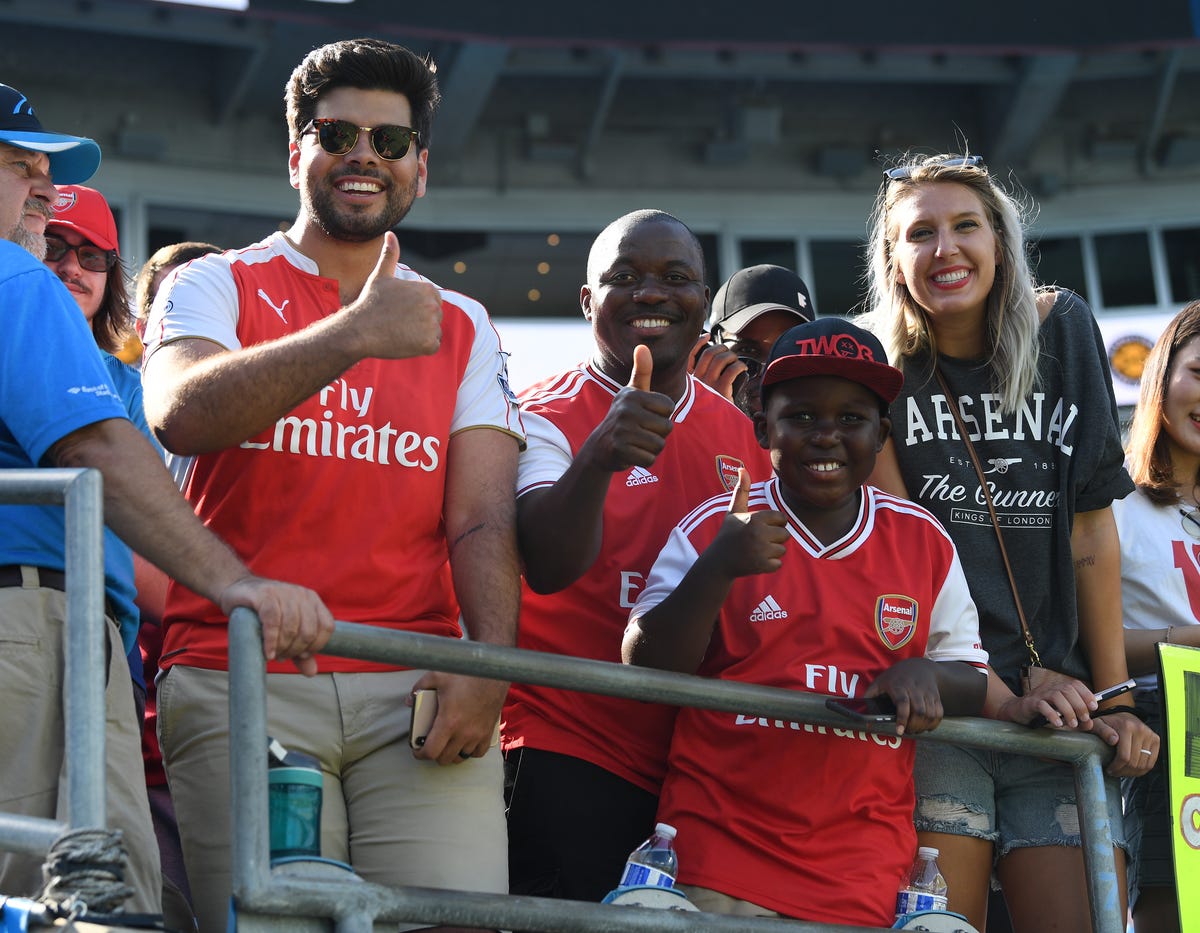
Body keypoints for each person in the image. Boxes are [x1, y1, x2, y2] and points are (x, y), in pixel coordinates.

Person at [139, 39, 523, 933]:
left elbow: (481, 518)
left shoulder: (460, 321)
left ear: (419, 170)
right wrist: (353, 334)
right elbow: (180, 415)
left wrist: (490, 667)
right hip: (242, 671)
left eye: (390, 142)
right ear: (295, 153)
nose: (363, 155)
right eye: (336, 132)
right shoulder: (211, 282)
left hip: (418, 685)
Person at [0, 83, 333, 915]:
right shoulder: (12, 276)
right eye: (18, 167)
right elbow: (98, 449)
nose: (42, 188)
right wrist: (234, 583)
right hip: (31, 625)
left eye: (44, 169)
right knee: (87, 902)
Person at [858, 151, 1159, 932]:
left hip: (1065, 709)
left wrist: (1118, 695)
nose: (944, 249)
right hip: (951, 709)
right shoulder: (881, 372)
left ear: (1000, 239)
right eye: (919, 233)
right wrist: (998, 689)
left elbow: (1092, 531)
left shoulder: (1062, 329)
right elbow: (905, 557)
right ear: (893, 259)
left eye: (965, 225)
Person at [623, 316, 989, 926]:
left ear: (882, 435)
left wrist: (923, 674)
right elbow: (644, 665)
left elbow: (971, 676)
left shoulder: (923, 540)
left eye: (852, 419)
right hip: (718, 865)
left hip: (865, 880)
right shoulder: (715, 523)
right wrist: (719, 568)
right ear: (764, 427)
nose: (827, 436)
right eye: (801, 417)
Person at [502, 208, 773, 903]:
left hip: (696, 770)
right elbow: (547, 562)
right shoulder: (538, 415)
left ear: (703, 303)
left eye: (675, 277)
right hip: (565, 745)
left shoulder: (740, 437)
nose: (651, 292)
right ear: (588, 302)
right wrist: (601, 452)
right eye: (624, 277)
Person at [1114, 299, 1200, 933]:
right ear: (1162, 376)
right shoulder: (1111, 502)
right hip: (1167, 729)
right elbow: (1083, 646)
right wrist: (1187, 641)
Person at [690, 263, 814, 417]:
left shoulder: (834, 434)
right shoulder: (670, 431)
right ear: (709, 352)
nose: (769, 372)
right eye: (747, 352)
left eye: (786, 353)